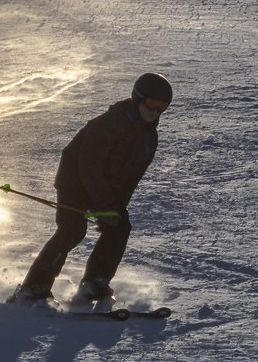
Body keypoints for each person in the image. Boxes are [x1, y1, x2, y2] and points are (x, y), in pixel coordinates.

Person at [10, 72, 173, 308]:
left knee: (120, 226)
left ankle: (95, 282)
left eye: (162, 107)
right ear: (138, 98)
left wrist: (115, 209)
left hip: (105, 189)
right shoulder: (110, 124)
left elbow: (131, 179)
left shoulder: (149, 138)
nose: (155, 111)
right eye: (152, 103)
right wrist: (105, 204)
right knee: (73, 229)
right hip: (74, 182)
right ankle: (34, 287)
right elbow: (88, 166)